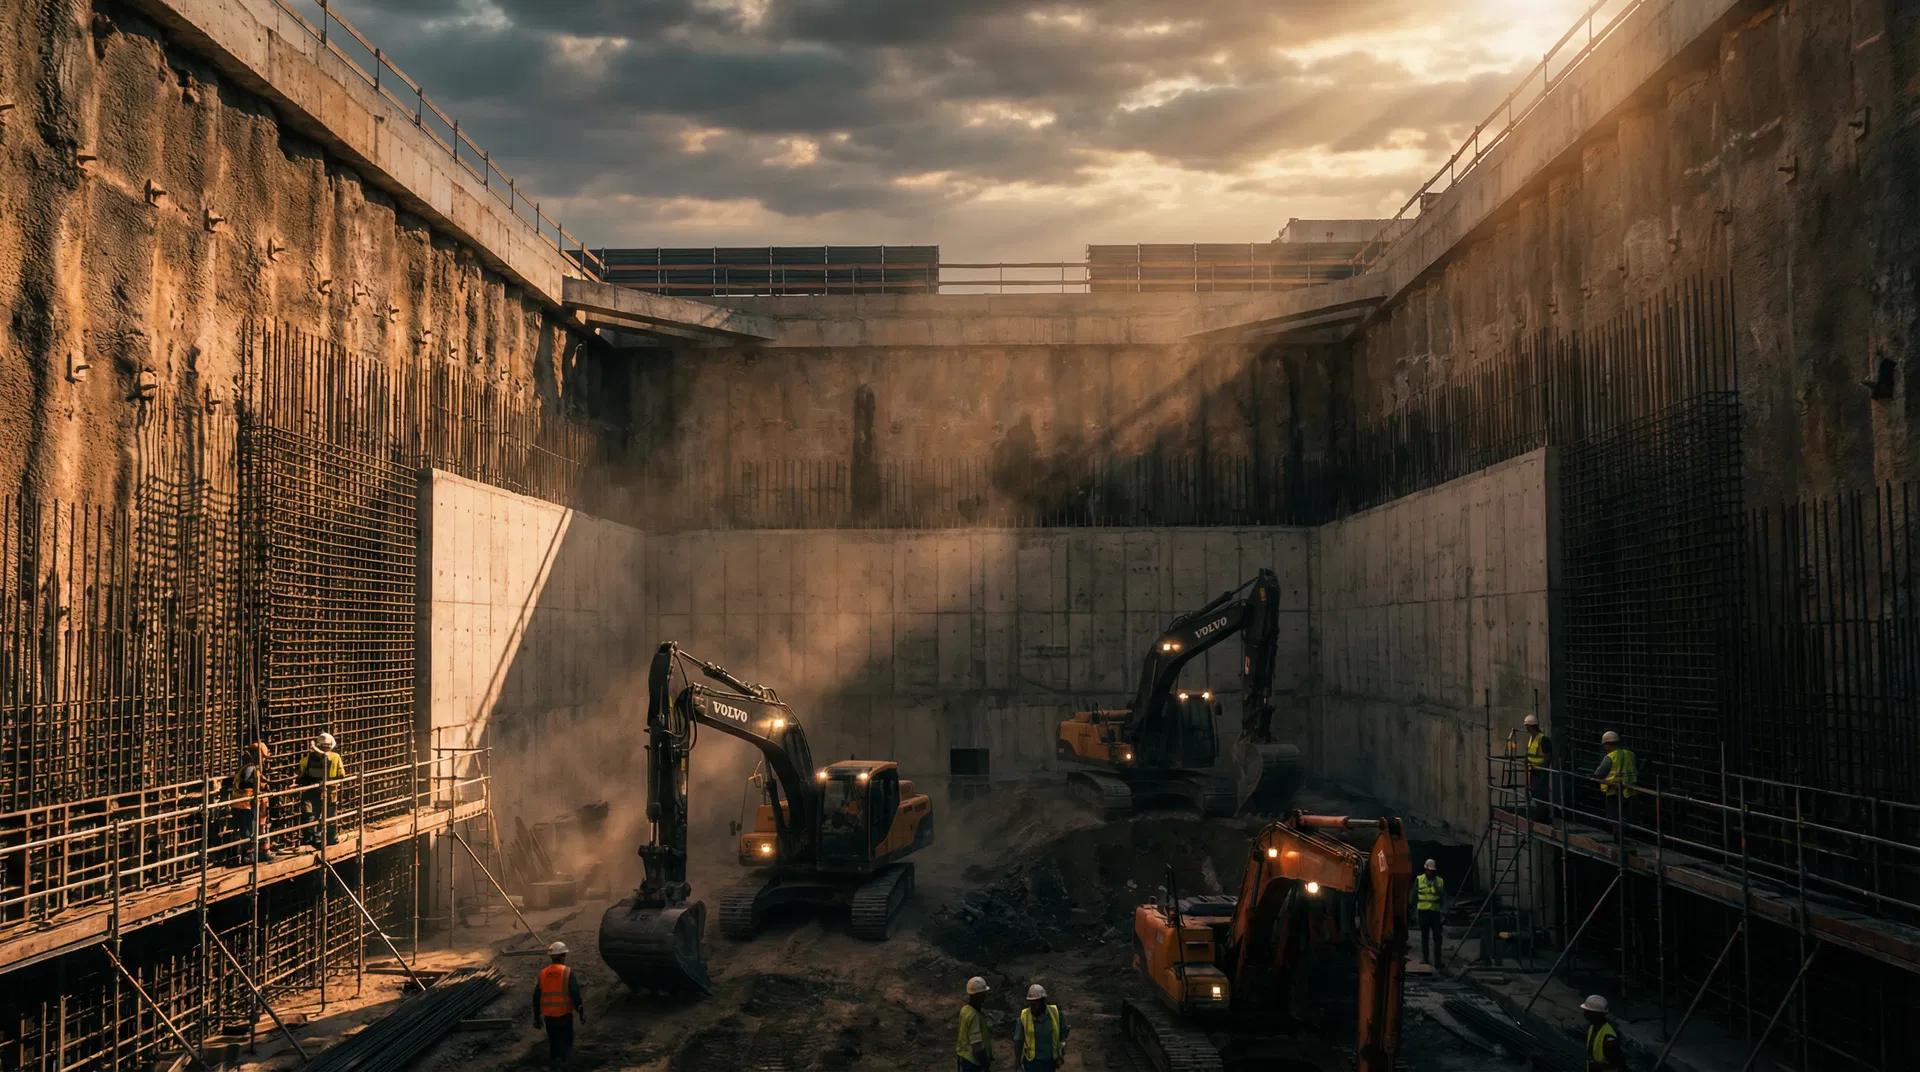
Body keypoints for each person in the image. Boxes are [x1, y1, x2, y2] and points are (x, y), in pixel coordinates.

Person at [531, 941, 585, 1070]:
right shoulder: (567, 972)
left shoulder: (543, 973)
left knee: (554, 1044)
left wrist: (536, 1017)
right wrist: (580, 1011)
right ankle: (564, 1066)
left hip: (549, 1018)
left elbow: (536, 996)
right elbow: (575, 993)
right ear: (562, 956)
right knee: (566, 1043)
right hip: (564, 1016)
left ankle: (555, 1066)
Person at [297, 733, 345, 848]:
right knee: (330, 815)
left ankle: (310, 839)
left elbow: (300, 776)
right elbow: (342, 774)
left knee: (311, 814)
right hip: (330, 791)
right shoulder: (336, 757)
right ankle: (331, 838)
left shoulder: (306, 760)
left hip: (312, 790)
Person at [230, 742, 272, 863]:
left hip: (253, 804)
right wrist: (259, 784)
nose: (264, 760)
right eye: (263, 757)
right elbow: (245, 782)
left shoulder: (253, 768)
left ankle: (262, 851)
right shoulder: (250, 768)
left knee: (260, 826)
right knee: (247, 830)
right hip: (245, 804)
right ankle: (248, 854)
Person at [1013, 984, 1069, 1071]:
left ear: (1042, 1002)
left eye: (1035, 1004)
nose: (1032, 1007)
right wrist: (1017, 1064)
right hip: (1032, 1064)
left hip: (1050, 1063)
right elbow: (1018, 1041)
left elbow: (1064, 1032)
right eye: (1030, 1004)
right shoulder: (1024, 1016)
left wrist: (1061, 1050)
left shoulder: (1055, 1013)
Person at [1591, 730, 1638, 833]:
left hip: (1614, 790)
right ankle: (1625, 834)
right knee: (1626, 815)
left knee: (1614, 816)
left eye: (1604, 745)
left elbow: (1599, 773)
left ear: (1607, 745)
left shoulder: (1610, 757)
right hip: (1629, 791)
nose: (1604, 748)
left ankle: (1617, 836)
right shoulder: (1631, 754)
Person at [1581, 993, 1626, 1070]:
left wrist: (1597, 1066)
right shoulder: (1593, 1027)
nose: (1584, 1013)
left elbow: (1614, 1063)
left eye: (1587, 1011)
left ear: (1596, 1014)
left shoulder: (1609, 1036)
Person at [1414, 858, 1445, 968]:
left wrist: (1444, 912)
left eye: (1432, 871)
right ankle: (1425, 959)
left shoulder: (1440, 881)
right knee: (1425, 936)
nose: (1430, 872)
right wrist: (1412, 910)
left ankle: (1437, 962)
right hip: (1423, 912)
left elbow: (1443, 898)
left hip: (1435, 913)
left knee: (1437, 938)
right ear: (1426, 869)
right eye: (1429, 870)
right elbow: (1413, 896)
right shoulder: (1419, 879)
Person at [956, 976, 992, 1071]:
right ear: (978, 995)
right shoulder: (974, 1016)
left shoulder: (965, 1010)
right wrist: (985, 1064)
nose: (985, 996)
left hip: (963, 1057)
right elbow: (977, 1046)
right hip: (973, 1062)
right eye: (983, 994)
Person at [1523, 714, 1553, 816]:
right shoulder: (1532, 738)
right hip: (1532, 770)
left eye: (1527, 726)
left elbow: (1547, 756)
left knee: (1541, 793)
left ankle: (1543, 815)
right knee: (1534, 792)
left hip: (1540, 770)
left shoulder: (1543, 739)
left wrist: (1544, 771)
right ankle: (1540, 813)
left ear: (1531, 726)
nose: (1526, 728)